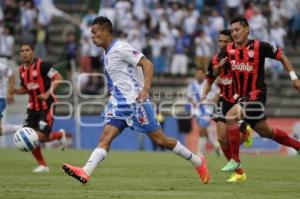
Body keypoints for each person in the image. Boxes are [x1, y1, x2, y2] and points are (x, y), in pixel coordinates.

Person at [62, 16, 209, 184]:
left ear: (106, 31)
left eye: (95, 33)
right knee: (105, 137)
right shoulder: (106, 53)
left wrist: (145, 91)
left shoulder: (121, 48)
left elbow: (148, 65)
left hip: (135, 103)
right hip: (118, 104)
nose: (92, 37)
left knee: (160, 140)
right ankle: (85, 171)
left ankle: (197, 162)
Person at [215, 16, 300, 173]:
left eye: (237, 29)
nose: (234, 33)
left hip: (256, 95)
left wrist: (294, 78)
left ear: (247, 29)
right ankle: (297, 146)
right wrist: (219, 67)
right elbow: (216, 71)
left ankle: (235, 160)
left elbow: (282, 57)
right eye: (232, 30)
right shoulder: (227, 50)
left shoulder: (260, 47)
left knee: (230, 116)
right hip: (241, 97)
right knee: (266, 132)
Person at [205, 29, 253, 182]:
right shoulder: (215, 58)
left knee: (233, 138)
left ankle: (245, 133)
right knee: (221, 139)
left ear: (232, 42)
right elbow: (212, 75)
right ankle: (239, 172)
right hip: (223, 100)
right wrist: (204, 94)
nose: (222, 44)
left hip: (238, 99)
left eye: (226, 42)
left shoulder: (239, 56)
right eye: (220, 41)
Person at [12, 43, 66, 173]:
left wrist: (47, 93)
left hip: (47, 105)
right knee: (28, 136)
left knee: (39, 136)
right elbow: (26, 87)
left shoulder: (43, 65)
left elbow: (58, 78)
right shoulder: (21, 70)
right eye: (22, 51)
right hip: (32, 107)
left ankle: (59, 135)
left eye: (27, 50)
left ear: (33, 52)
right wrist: (14, 91)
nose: (24, 53)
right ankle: (42, 165)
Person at [186, 67, 221, 156]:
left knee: (202, 130)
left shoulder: (210, 84)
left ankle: (200, 152)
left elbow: (218, 93)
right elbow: (189, 97)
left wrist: (214, 100)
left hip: (207, 110)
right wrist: (192, 102)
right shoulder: (192, 85)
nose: (199, 75)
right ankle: (216, 145)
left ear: (204, 75)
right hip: (197, 111)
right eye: (197, 73)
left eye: (200, 74)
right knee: (204, 131)